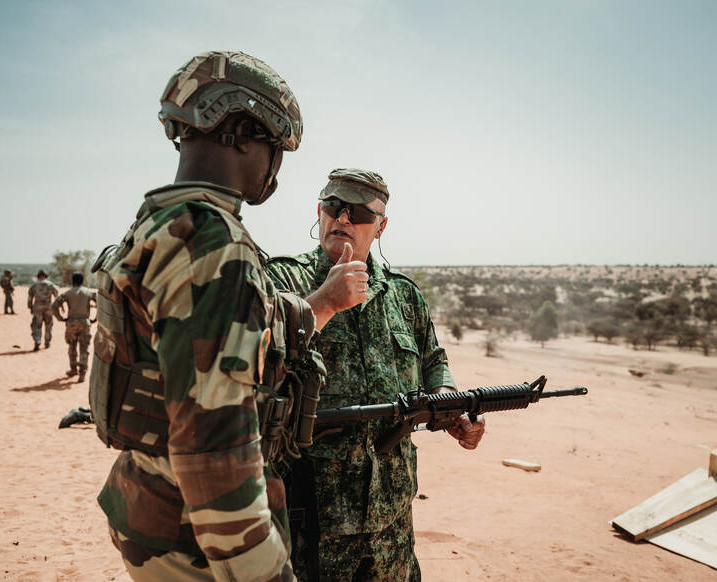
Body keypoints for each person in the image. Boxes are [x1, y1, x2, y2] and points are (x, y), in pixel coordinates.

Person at [93, 50, 358, 582]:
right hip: (198, 541)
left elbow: (230, 330)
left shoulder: (164, 224)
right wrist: (263, 574)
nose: (274, 168)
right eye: (273, 148)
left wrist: (319, 304)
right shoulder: (214, 243)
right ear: (240, 131)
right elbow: (213, 450)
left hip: (151, 514)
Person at [266, 169, 486, 581]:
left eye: (359, 213)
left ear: (380, 226)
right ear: (320, 212)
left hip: (392, 524)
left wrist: (448, 402)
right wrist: (323, 303)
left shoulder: (404, 296)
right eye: (334, 207)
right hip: (310, 522)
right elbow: (255, 355)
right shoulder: (283, 280)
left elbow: (433, 360)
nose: (343, 219)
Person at [52, 272, 96, 382]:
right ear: (82, 281)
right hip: (85, 323)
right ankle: (82, 372)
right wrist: (95, 318)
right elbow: (100, 303)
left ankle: (73, 369)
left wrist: (60, 318)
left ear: (73, 281)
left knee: (72, 346)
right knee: (84, 348)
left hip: (71, 323)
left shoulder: (67, 293)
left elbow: (54, 306)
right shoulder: (89, 292)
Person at [28, 269, 59, 351]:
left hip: (37, 308)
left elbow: (30, 298)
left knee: (37, 325)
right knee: (49, 325)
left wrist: (30, 307)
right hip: (48, 307)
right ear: (45, 276)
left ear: (38, 276)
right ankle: (47, 342)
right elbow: (57, 296)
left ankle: (37, 340)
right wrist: (58, 307)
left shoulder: (34, 285)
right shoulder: (51, 284)